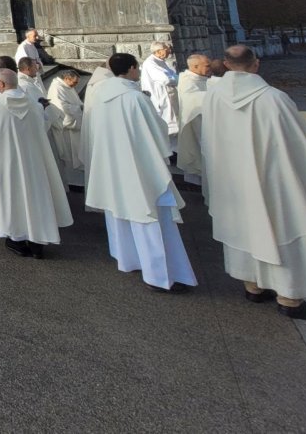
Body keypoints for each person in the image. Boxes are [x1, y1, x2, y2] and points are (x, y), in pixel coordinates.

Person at [202, 45, 306, 322]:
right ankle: (290, 298)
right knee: (283, 230)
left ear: (226, 65)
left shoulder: (213, 95)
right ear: (256, 64)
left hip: (232, 178)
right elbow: (299, 143)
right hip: (271, 178)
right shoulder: (274, 98)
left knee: (244, 227)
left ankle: (253, 285)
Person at [83, 53, 196, 293]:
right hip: (138, 166)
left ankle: (128, 260)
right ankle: (160, 277)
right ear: (132, 69)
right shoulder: (135, 98)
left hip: (112, 165)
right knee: (150, 219)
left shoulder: (101, 95)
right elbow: (157, 132)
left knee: (121, 216)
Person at [0, 69, 73, 257]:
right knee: (34, 198)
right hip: (33, 162)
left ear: (0, 85)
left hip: (7, 163)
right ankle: (37, 240)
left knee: (12, 199)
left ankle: (16, 239)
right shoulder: (32, 105)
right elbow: (42, 126)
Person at [176, 53, 211, 190]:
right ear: (195, 66)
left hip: (205, 121)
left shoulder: (200, 78)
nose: (210, 68)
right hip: (197, 124)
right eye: (207, 66)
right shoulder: (188, 82)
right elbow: (192, 100)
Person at [46, 71, 85, 188]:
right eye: (74, 82)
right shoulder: (57, 88)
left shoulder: (67, 86)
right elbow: (62, 107)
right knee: (68, 155)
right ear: (67, 78)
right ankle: (72, 181)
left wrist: (80, 106)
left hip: (73, 127)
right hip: (65, 128)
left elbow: (74, 102)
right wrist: (79, 108)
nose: (75, 85)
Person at [140, 42, 179, 150]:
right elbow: (165, 79)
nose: (169, 51)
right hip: (160, 97)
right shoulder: (150, 63)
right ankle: (170, 150)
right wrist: (177, 79)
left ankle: (175, 149)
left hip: (168, 96)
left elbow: (172, 75)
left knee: (173, 121)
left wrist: (175, 78)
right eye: (167, 49)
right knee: (167, 122)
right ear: (158, 51)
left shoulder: (161, 61)